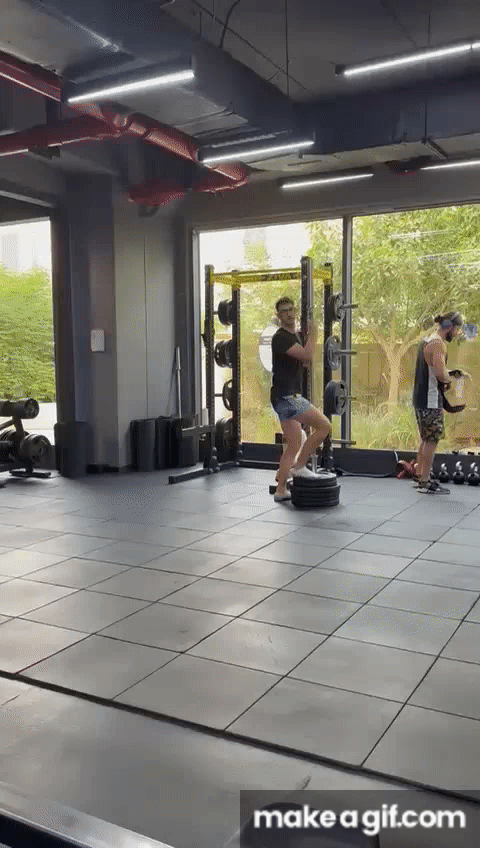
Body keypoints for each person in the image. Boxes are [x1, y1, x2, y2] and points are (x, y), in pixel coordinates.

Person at [270, 297, 332, 502]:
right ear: (278, 315)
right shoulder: (281, 337)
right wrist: (315, 332)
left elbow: (303, 361)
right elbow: (307, 356)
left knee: (294, 444)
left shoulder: (294, 336)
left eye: (291, 309)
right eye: (284, 311)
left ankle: (280, 490)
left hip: (283, 396)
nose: (289, 313)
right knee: (324, 426)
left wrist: (307, 340)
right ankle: (299, 467)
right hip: (287, 397)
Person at [412, 311, 465, 494]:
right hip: (430, 400)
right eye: (456, 329)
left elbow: (433, 369)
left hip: (420, 399)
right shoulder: (438, 344)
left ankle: (420, 475)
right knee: (432, 440)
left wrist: (452, 373)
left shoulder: (427, 340)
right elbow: (440, 374)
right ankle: (425, 482)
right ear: (449, 327)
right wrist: (449, 382)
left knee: (426, 439)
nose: (456, 333)